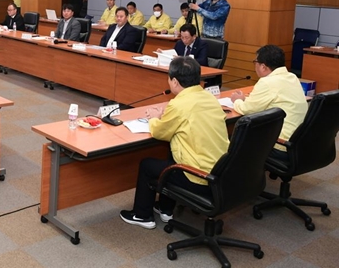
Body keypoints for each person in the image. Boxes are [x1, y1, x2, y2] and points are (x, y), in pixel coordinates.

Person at [120, 57, 229, 229]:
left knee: (147, 165)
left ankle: (142, 216)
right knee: (173, 153)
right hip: (221, 173)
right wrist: (167, 114)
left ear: (175, 82)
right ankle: (165, 209)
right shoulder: (208, 98)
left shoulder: (179, 104)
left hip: (198, 178)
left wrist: (155, 118)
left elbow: (159, 132)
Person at [230, 45, 308, 160]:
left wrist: (237, 100)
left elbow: (246, 109)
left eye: (255, 62)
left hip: (280, 143)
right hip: (298, 140)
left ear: (263, 66)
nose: (254, 65)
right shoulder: (292, 77)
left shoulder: (267, 82)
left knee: (236, 134)